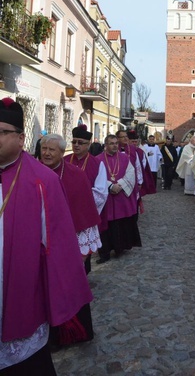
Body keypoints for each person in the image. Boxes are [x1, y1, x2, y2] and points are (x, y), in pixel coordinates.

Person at [0, 98, 92, 375]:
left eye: (2, 132)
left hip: (20, 293)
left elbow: (59, 247)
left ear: (19, 137)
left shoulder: (42, 180)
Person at [40, 133, 101, 346]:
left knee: (71, 288)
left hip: (70, 245)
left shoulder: (75, 175)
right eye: (43, 149)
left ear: (61, 152)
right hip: (40, 245)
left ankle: (74, 332)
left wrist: (84, 251)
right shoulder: (32, 173)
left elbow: (84, 213)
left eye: (52, 150)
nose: (46, 153)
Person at [64, 124, 109, 272]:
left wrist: (79, 201)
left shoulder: (97, 164)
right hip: (63, 213)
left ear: (88, 144)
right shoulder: (64, 160)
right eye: (74, 142)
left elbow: (101, 193)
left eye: (80, 142)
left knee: (83, 255)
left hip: (84, 215)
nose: (76, 145)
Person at [96, 134, 142, 263]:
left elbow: (131, 174)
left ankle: (119, 248)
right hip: (106, 198)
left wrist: (119, 185)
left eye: (116, 143)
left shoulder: (124, 158)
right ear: (105, 145)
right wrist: (110, 185)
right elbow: (94, 177)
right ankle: (104, 252)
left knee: (120, 224)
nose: (115, 145)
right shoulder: (97, 159)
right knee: (106, 224)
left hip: (121, 197)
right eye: (111, 143)